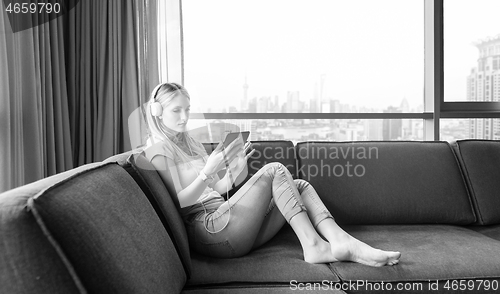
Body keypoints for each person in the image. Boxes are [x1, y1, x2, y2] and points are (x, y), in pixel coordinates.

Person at [143, 82, 401, 266]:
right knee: (276, 169)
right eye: (176, 110)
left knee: (298, 185)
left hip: (232, 224)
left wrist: (232, 174)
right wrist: (207, 172)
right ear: (157, 111)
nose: (185, 116)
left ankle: (341, 239)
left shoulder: (190, 143)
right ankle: (314, 246)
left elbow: (216, 190)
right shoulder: (157, 150)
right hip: (211, 231)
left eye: (187, 109)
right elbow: (180, 202)